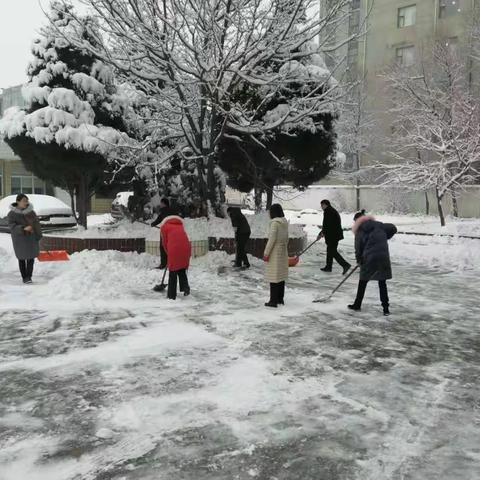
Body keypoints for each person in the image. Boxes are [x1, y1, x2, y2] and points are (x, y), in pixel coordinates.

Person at [349, 210, 397, 316]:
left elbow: (358, 248)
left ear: (357, 221)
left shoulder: (360, 230)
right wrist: (385, 237)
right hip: (383, 257)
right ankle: (386, 308)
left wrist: (359, 260)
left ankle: (357, 304)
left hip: (369, 258)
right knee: (382, 283)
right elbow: (393, 228)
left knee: (363, 281)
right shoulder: (380, 226)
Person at [8, 194, 42, 284]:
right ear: (18, 201)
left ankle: (29, 277)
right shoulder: (12, 214)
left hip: (31, 238)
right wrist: (23, 228)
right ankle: (24, 277)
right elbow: (12, 226)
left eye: (26, 200)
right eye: (23, 200)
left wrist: (38, 235)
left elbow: (37, 224)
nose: (25, 202)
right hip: (20, 239)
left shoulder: (31, 212)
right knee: (22, 258)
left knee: (31, 258)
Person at [160, 214, 191, 300]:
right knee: (181, 268)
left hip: (174, 249)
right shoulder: (180, 226)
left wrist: (168, 254)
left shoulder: (164, 227)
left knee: (173, 272)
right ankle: (185, 288)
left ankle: (171, 296)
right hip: (186, 248)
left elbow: (164, 243)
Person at [263, 203, 289, 308]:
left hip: (274, 252)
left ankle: (273, 301)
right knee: (281, 276)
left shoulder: (274, 223)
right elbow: (287, 238)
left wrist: (266, 253)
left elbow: (272, 239)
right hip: (283, 250)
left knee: (273, 276)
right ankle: (280, 299)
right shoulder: (284, 223)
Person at [318, 199, 351, 275]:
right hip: (333, 235)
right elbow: (327, 225)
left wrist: (322, 233)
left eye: (322, 205)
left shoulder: (329, 211)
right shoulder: (330, 210)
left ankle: (345, 265)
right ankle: (328, 267)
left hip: (333, 235)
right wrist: (322, 233)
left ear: (326, 204)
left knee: (332, 251)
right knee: (330, 251)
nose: (321, 207)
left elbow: (328, 225)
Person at [151, 198, 176, 269]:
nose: (160, 205)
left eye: (161, 203)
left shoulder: (163, 211)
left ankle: (163, 264)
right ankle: (172, 262)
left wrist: (153, 224)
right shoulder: (172, 210)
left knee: (163, 247)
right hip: (173, 231)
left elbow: (159, 219)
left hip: (165, 231)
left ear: (164, 203)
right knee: (171, 247)